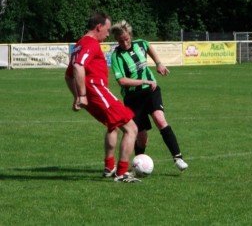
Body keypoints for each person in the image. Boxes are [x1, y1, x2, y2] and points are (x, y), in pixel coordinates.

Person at [65, 12, 141, 183]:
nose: (108, 34)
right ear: (99, 27)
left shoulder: (79, 44)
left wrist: (77, 97)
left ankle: (109, 167)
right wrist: (82, 95)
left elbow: (68, 76)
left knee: (112, 126)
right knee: (132, 128)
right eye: (107, 30)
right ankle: (122, 173)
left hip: (93, 93)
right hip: (96, 90)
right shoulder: (90, 43)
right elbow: (78, 67)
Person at [110, 20, 189, 171]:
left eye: (127, 39)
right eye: (121, 41)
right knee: (142, 138)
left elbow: (148, 46)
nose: (125, 43)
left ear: (130, 36)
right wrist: (142, 81)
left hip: (151, 90)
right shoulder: (116, 56)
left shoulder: (140, 44)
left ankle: (178, 158)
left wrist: (159, 63)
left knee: (160, 120)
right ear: (116, 40)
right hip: (133, 98)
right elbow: (121, 81)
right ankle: (138, 163)